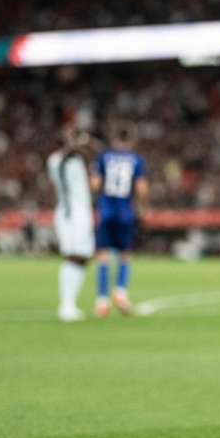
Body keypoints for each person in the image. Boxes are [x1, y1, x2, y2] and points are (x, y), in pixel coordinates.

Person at [90, 123, 148, 317]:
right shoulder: (136, 159)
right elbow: (141, 188)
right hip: (125, 212)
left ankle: (102, 301)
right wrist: (142, 206)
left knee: (103, 255)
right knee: (125, 254)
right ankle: (121, 292)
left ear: (114, 138)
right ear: (131, 140)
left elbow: (95, 184)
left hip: (106, 211)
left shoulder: (103, 156)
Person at [47, 127, 97, 322]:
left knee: (83, 257)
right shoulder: (56, 160)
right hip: (69, 215)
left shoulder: (78, 161)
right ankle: (66, 305)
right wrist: (72, 142)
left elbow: (99, 151)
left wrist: (88, 140)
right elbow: (67, 155)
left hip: (83, 214)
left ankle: (70, 303)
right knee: (73, 256)